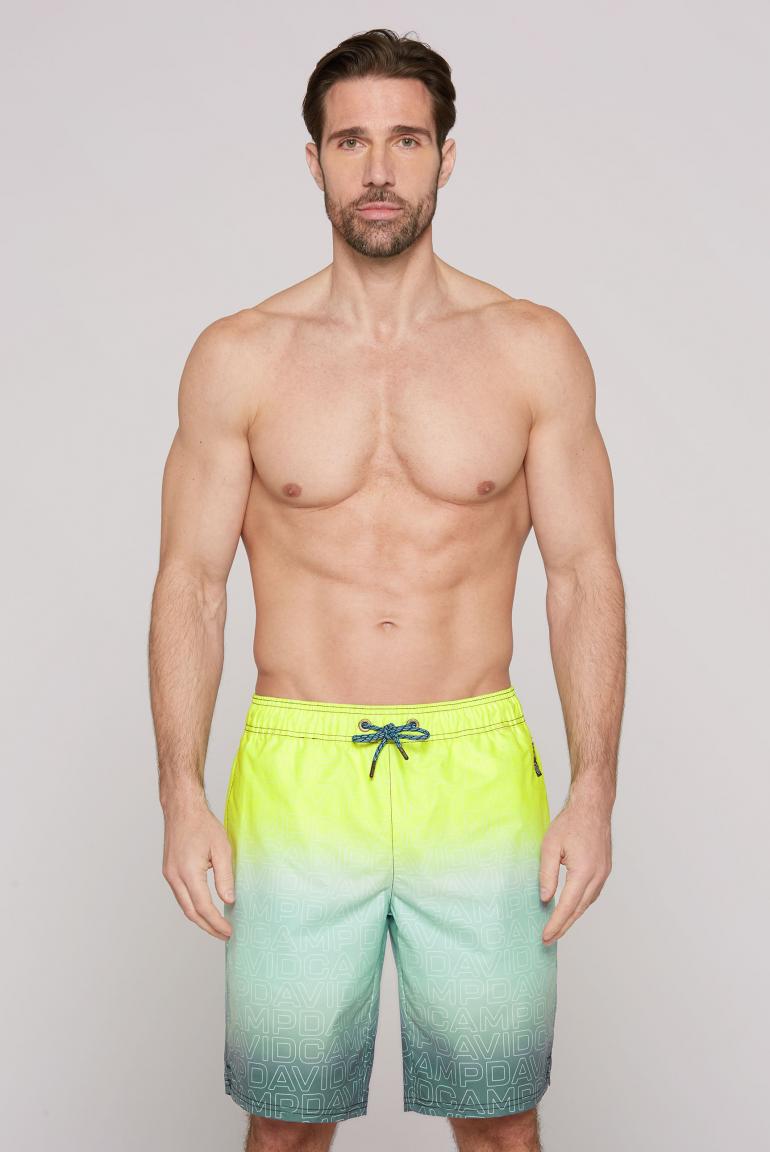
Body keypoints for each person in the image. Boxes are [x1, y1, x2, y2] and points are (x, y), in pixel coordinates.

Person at [149, 27, 625, 1152]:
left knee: (500, 1120)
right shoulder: (239, 356)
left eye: (405, 140)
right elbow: (192, 584)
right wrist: (179, 795)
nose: (377, 169)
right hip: (297, 775)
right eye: (350, 141)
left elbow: (580, 575)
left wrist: (594, 790)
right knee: (286, 1125)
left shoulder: (530, 348)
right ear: (312, 159)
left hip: (475, 771)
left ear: (445, 157)